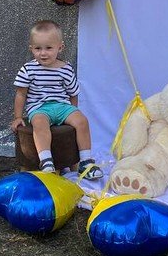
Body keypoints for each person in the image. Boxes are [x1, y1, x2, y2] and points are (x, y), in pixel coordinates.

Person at [9, 20, 102, 180]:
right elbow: (21, 94)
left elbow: (73, 93)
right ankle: (46, 162)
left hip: (62, 106)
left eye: (49, 48)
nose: (43, 53)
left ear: (60, 47)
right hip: (39, 108)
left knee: (82, 121)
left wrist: (73, 111)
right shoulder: (28, 69)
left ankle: (86, 162)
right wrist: (17, 117)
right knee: (39, 123)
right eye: (38, 48)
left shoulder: (66, 69)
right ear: (31, 48)